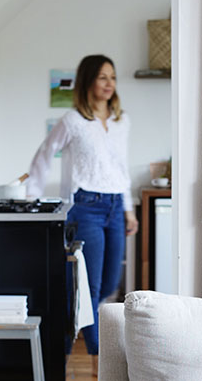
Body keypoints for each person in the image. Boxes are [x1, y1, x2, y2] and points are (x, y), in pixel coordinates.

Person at [22, 54, 138, 372]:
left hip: (115, 205)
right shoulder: (73, 121)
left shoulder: (120, 122)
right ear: (88, 80)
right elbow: (44, 154)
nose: (109, 83)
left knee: (111, 282)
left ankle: (81, 337)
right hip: (85, 206)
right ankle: (96, 350)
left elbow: (121, 168)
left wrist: (128, 209)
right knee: (90, 283)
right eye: (102, 77)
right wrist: (32, 197)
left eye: (112, 77)